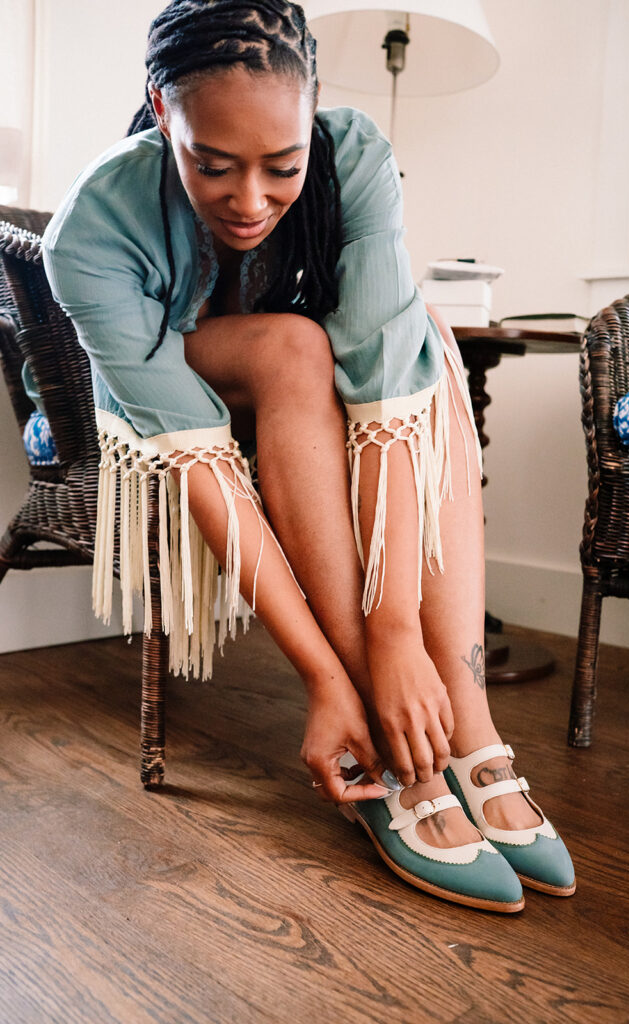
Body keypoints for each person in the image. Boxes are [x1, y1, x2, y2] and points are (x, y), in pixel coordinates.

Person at [41, 0, 575, 911]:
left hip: (303, 389)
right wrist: (333, 681)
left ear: (314, 109)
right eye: (213, 165)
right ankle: (393, 745)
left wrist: (401, 628)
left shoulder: (355, 152)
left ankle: (468, 726)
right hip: (169, 406)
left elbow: (390, 400)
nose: (250, 202)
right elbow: (197, 455)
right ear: (163, 113)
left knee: (429, 339)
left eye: (281, 167)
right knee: (293, 345)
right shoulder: (91, 227)